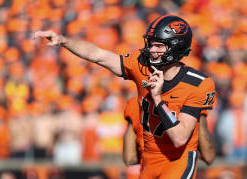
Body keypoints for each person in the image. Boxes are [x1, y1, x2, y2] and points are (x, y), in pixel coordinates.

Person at [34, 14, 216, 178]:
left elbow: (180, 138)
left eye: (159, 46)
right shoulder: (142, 64)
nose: (152, 50)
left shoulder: (198, 84)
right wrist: (64, 40)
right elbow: (98, 55)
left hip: (178, 160)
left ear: (176, 48)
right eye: (151, 44)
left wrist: (158, 99)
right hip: (149, 157)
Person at [122, 97, 215, 167]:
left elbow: (129, 158)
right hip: (178, 170)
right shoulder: (193, 102)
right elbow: (208, 156)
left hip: (151, 170)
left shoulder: (135, 103)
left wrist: (152, 156)